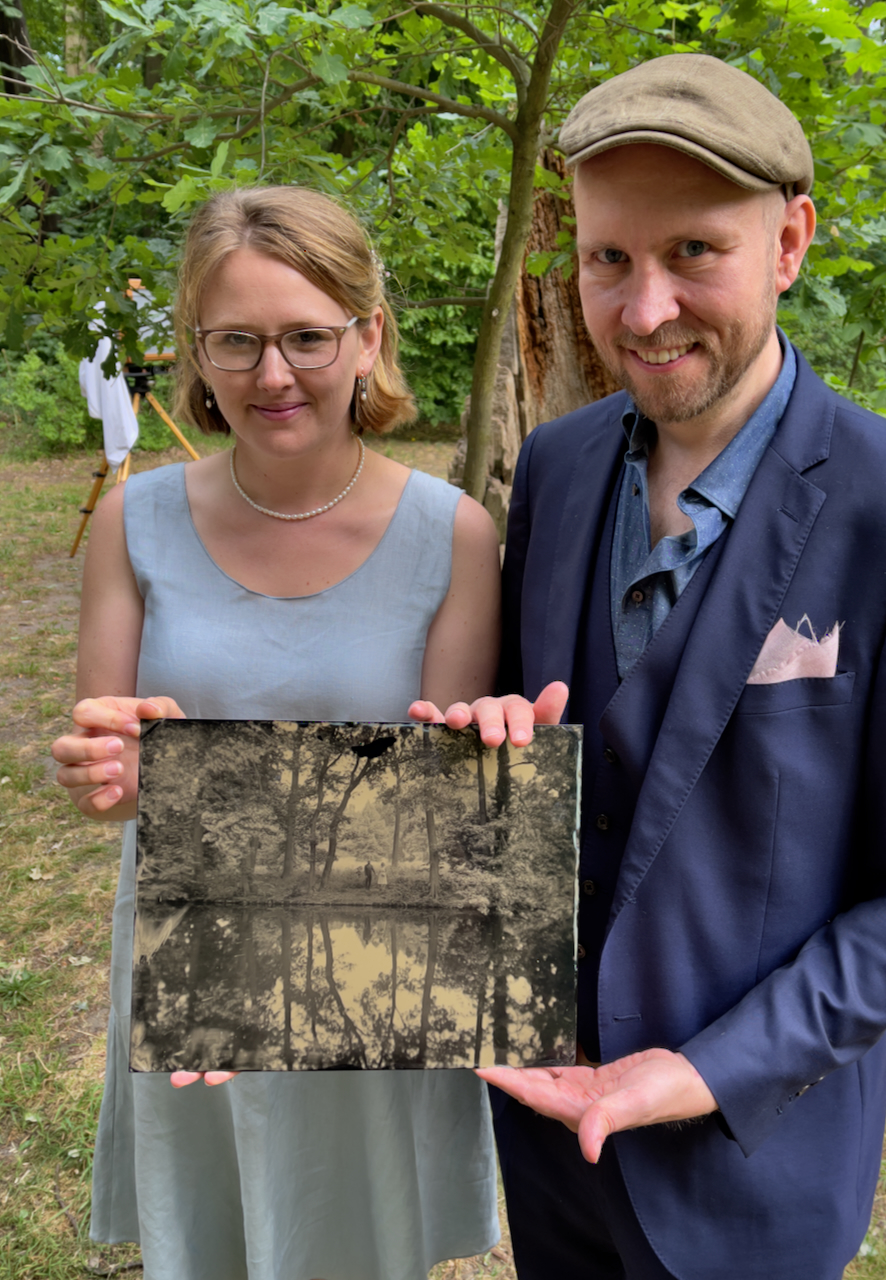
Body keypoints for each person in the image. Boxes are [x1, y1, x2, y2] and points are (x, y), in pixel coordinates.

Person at [433, 54, 886, 1280]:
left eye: (695, 251)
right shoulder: (558, 466)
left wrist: (703, 1071)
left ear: (790, 242)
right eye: (607, 260)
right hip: (548, 1136)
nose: (644, 311)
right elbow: (540, 748)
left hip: (751, 1171)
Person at [50, 186, 503, 1280]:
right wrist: (100, 768)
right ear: (197, 354)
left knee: (355, 1235)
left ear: (369, 337)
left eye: (306, 334)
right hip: (189, 955)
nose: (273, 374)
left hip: (368, 962)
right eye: (236, 341)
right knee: (210, 1238)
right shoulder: (133, 521)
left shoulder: (454, 533)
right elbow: (110, 769)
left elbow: (438, 813)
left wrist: (488, 758)